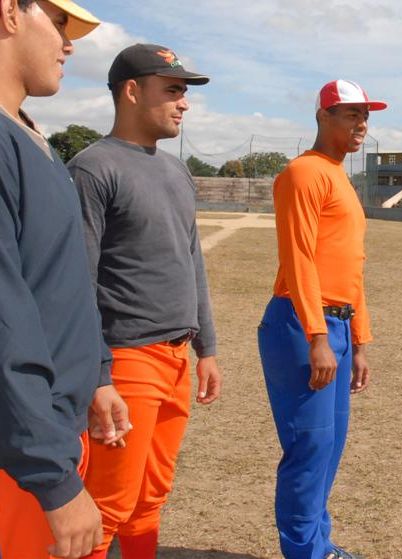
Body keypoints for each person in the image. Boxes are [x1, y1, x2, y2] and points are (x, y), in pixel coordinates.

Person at [67, 43, 222, 559]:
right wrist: (98, 375)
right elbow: (78, 283)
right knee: (109, 504)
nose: (184, 103)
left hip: (177, 356)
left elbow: (191, 259)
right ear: (132, 92)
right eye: (173, 90)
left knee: (151, 498)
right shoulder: (92, 168)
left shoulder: (175, 171)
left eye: (184, 92)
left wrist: (208, 348)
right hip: (128, 358)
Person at [0, 2, 131, 558]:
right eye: (58, 23)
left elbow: (56, 282)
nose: (69, 43)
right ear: (9, 12)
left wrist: (95, 374)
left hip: (46, 431)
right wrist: (49, 473)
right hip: (18, 454)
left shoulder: (30, 136)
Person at [258, 79, 386, 559]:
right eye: (350, 114)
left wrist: (360, 341)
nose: (362, 124)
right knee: (309, 450)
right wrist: (317, 335)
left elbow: (351, 265)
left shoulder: (337, 177)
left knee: (328, 449)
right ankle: (305, 553)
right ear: (322, 117)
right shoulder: (303, 173)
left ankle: (319, 545)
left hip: (337, 324)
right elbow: (299, 260)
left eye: (365, 115)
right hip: (301, 322)